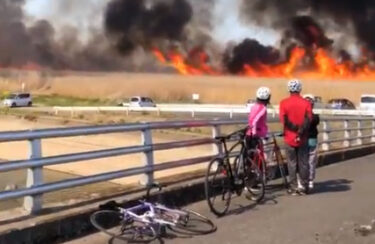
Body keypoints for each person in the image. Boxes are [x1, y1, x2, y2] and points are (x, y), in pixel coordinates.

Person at [279, 79, 312, 195]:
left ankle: (293, 188)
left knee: (291, 163)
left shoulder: (283, 103)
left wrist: (294, 130)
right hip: (303, 138)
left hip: (289, 138)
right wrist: (300, 131)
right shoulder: (306, 103)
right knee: (303, 162)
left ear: (289, 89)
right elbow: (309, 119)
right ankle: (304, 186)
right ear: (300, 89)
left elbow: (284, 120)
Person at [304, 95, 320, 190]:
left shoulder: (301, 117)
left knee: (302, 160)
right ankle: (310, 180)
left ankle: (302, 179)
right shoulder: (315, 117)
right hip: (312, 139)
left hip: (303, 140)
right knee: (311, 161)